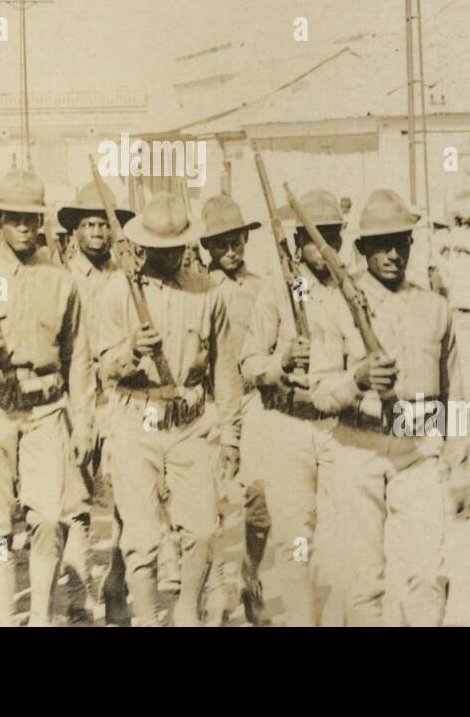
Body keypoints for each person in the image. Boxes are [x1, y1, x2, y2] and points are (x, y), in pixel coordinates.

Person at [305, 189, 467, 627]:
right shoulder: (335, 306)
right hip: (357, 449)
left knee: (429, 575)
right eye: (381, 245)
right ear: (361, 249)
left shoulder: (435, 308)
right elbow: (319, 392)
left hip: (417, 449)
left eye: (401, 242)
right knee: (363, 583)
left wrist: (458, 461)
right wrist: (356, 380)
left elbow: (453, 392)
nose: (393, 254)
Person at [0, 168, 95, 627]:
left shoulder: (62, 281)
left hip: (45, 410)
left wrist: (85, 421)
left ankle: (40, 617)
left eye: (31, 219)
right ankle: (6, 618)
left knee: (49, 518)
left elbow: (79, 357)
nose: (24, 227)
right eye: (14, 219)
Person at [96, 192, 241, 627]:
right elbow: (102, 364)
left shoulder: (207, 293)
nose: (171, 256)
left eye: (177, 247)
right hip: (135, 420)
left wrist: (231, 434)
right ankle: (146, 616)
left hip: (190, 424)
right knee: (141, 539)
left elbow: (225, 371)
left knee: (201, 530)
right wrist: (130, 351)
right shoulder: (116, 292)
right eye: (161, 249)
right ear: (142, 247)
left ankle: (186, 611)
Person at [239, 188, 358, 626]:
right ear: (296, 244)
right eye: (314, 238)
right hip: (288, 424)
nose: (324, 247)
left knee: (340, 539)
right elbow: (248, 363)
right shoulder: (276, 292)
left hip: (338, 426)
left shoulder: (348, 289)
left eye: (331, 237)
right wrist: (281, 361)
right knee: (296, 539)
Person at [56, 178, 132, 624]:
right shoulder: (62, 277)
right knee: (75, 499)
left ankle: (117, 581)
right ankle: (77, 586)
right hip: (75, 398)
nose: (99, 234)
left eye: (105, 225)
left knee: (127, 496)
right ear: (75, 232)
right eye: (90, 224)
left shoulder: (127, 280)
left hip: (119, 397)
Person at [198, 194, 270, 626]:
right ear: (208, 247)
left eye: (236, 242)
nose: (230, 252)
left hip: (253, 400)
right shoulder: (199, 289)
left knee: (259, 500)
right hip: (210, 407)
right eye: (221, 245)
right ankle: (220, 589)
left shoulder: (262, 287)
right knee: (218, 504)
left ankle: (252, 579)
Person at [446, 209, 470, 312]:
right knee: (462, 282)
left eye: (467, 220)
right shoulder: (462, 231)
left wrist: (463, 248)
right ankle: (463, 304)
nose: (464, 221)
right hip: (462, 260)